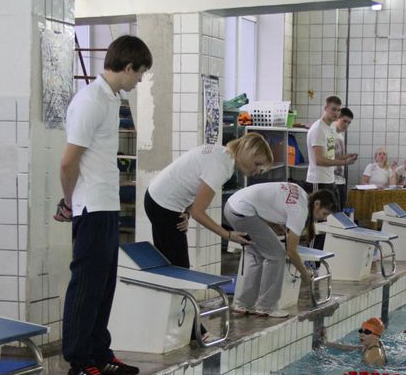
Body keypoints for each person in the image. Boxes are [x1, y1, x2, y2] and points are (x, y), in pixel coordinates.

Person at [56, 35, 152, 375]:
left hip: (106, 204)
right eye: (139, 73)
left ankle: (98, 352)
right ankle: (79, 362)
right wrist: (69, 203)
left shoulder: (111, 98)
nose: (139, 80)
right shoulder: (90, 101)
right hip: (90, 206)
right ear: (127, 67)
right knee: (86, 285)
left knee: (104, 284)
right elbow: (68, 162)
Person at [144, 132, 273, 268]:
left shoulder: (222, 153)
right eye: (257, 164)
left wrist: (187, 213)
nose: (258, 170)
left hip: (158, 198)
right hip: (162, 205)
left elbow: (193, 187)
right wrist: (228, 235)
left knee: (169, 263)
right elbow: (198, 213)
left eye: (262, 168)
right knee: (178, 269)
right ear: (248, 153)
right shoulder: (222, 166)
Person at [224, 185, 336, 318]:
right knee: (276, 255)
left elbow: (268, 203)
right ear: (317, 204)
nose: (322, 218)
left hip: (232, 206)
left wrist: (274, 225)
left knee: (257, 254)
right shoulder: (300, 211)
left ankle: (243, 304)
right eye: (324, 213)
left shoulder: (301, 193)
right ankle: (267, 306)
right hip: (243, 212)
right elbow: (291, 251)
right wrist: (304, 274)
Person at [306, 95, 358, 195]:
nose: (336, 113)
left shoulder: (329, 128)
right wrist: (344, 162)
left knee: (335, 210)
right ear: (325, 108)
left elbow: (330, 156)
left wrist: (345, 157)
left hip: (329, 179)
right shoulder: (318, 129)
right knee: (322, 211)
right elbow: (319, 160)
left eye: (338, 110)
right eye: (333, 109)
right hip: (318, 180)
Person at [323, 317, 388, 367]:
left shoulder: (371, 354)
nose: (361, 334)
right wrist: (327, 343)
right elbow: (346, 347)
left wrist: (329, 360)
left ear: (376, 336)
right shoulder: (375, 344)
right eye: (361, 331)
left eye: (367, 332)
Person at [332, 107, 355, 211]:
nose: (346, 125)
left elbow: (336, 156)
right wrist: (345, 161)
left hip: (340, 179)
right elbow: (326, 158)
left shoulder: (340, 136)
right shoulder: (330, 134)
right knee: (332, 213)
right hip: (330, 179)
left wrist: (347, 156)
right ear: (337, 118)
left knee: (340, 211)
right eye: (344, 121)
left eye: (349, 123)